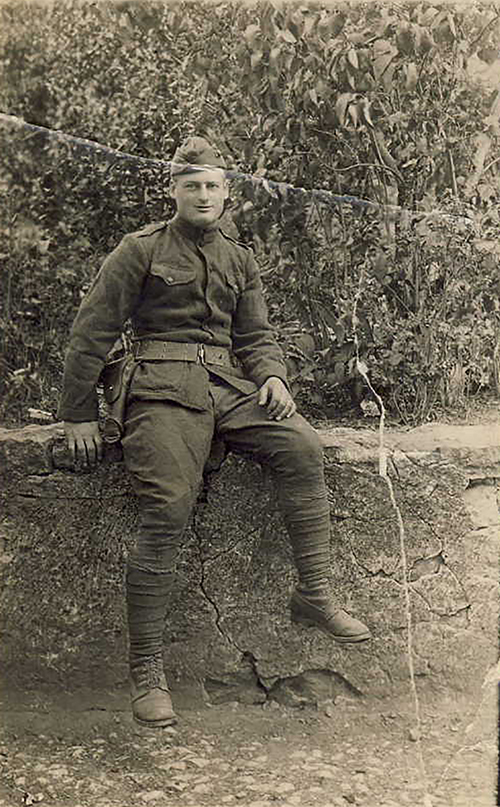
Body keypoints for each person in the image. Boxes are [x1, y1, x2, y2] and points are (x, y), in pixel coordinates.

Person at [59, 136, 371, 729]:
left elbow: (254, 336)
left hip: (230, 388)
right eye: (191, 184)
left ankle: (315, 594)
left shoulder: (238, 257)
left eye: (213, 185)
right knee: (169, 507)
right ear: (172, 189)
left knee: (302, 446)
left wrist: (274, 377)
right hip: (158, 388)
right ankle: (146, 672)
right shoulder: (139, 249)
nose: (203, 195)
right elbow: (92, 331)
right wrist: (77, 413)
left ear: (228, 192)